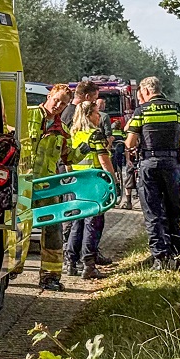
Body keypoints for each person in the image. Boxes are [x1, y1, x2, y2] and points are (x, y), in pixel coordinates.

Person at [27, 83, 88, 291]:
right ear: (49, 96)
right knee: (17, 229)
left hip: (48, 187)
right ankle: (10, 270)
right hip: (24, 184)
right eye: (56, 100)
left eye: (63, 104)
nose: (58, 105)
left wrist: (85, 149)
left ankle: (50, 276)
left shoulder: (62, 131)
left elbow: (69, 157)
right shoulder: (27, 115)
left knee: (53, 231)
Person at [125, 76, 180, 270]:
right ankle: (178, 253)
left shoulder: (141, 111)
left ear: (145, 91)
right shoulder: (176, 108)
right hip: (172, 164)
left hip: (149, 165)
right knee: (175, 210)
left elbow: (130, 143)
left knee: (153, 212)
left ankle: (160, 257)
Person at [65, 101, 115, 279]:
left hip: (76, 183)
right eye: (96, 113)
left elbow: (68, 162)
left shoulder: (73, 134)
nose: (99, 116)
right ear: (88, 115)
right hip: (93, 183)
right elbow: (104, 160)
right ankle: (89, 265)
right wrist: (113, 180)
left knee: (76, 223)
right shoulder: (96, 135)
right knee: (93, 223)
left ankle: (71, 262)